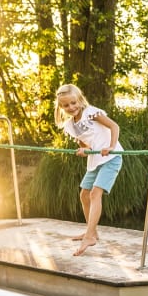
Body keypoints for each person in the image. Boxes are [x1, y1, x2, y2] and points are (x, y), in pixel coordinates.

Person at [55, 84, 124, 256]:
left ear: (79, 100)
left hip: (111, 158)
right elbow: (84, 144)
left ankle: (89, 237)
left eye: (73, 103)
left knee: (95, 194)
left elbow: (114, 126)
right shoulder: (70, 125)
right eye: (66, 105)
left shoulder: (91, 112)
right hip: (95, 160)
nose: (71, 107)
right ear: (61, 107)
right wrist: (83, 150)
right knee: (84, 195)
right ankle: (91, 232)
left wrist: (111, 146)